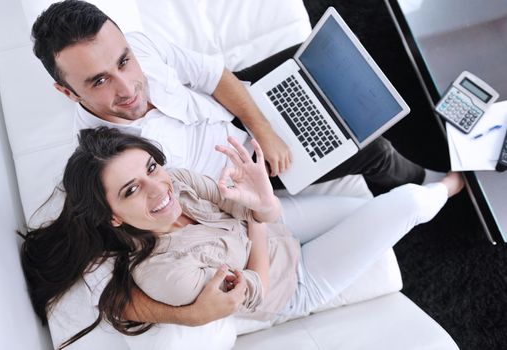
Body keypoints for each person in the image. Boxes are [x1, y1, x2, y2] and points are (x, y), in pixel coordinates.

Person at [30, 0, 443, 330]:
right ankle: (433, 177)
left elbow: (215, 76)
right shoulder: (106, 161)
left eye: (124, 61)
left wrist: (262, 127)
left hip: (239, 119)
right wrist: (188, 315)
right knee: (371, 148)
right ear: (66, 92)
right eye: (98, 81)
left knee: (326, 58)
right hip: (244, 178)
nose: (127, 87)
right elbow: (109, 285)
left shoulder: (140, 47)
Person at [21, 127, 463, 348]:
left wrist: (260, 201)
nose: (158, 190)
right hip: (294, 284)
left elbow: (243, 205)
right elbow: (257, 290)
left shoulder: (173, 180)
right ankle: (459, 181)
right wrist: (257, 215)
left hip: (278, 232)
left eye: (149, 169)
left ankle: (440, 183)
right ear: (113, 217)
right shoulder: (163, 273)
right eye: (131, 190)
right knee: (406, 204)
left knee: (367, 210)